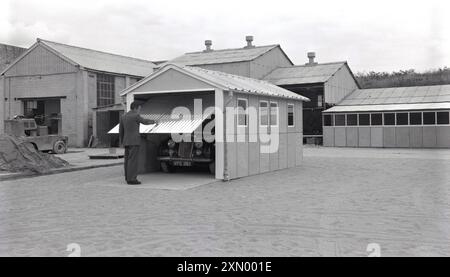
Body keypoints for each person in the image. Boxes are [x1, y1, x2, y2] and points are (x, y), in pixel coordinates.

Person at [119, 101, 156, 185]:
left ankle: (127, 178)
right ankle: (132, 179)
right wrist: (154, 121)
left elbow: (121, 131)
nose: (139, 110)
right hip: (134, 142)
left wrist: (122, 142)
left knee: (127, 160)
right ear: (135, 108)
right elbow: (144, 121)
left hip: (126, 141)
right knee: (133, 161)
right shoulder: (135, 116)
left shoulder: (123, 116)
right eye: (139, 109)